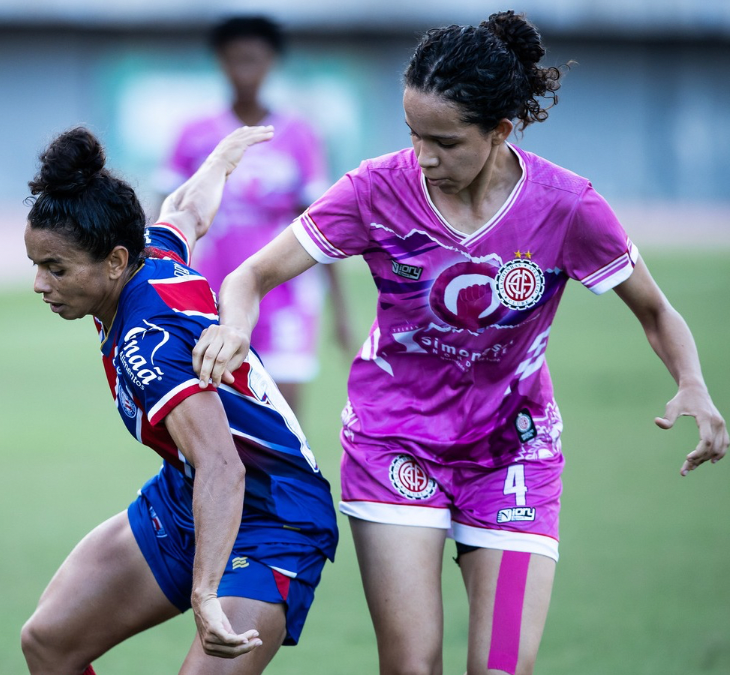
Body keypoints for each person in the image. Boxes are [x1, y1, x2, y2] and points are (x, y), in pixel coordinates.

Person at [192, 11, 727, 675]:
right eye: (414, 134)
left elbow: (654, 309)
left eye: (444, 141)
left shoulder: (566, 206)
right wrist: (235, 324)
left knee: (501, 667)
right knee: (413, 667)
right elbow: (251, 275)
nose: (423, 157)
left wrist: (693, 382)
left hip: (513, 451)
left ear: (500, 131)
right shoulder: (375, 190)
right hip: (394, 441)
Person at [20, 125, 338, 675]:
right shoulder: (155, 257)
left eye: (56, 268)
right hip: (190, 496)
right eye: (37, 265)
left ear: (115, 262)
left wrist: (205, 591)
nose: (40, 284)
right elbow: (186, 211)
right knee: (49, 643)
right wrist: (218, 162)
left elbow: (222, 463)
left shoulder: (147, 343)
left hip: (274, 517)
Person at [157, 15, 354, 414]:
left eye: (254, 59)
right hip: (211, 292)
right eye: (235, 59)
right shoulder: (193, 133)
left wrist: (341, 310)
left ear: (271, 62)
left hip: (284, 295)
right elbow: (165, 217)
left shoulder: (300, 134)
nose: (244, 70)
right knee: (221, 412)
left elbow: (320, 226)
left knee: (284, 414)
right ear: (220, 62)